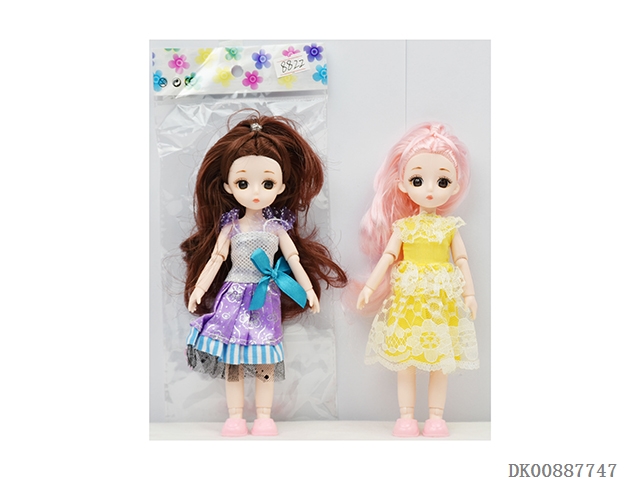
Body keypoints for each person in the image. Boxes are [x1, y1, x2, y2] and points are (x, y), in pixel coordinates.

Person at [181, 112, 347, 436]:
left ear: (281, 186)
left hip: (265, 297)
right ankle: (235, 417)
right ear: (228, 186)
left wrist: (308, 290)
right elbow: (216, 258)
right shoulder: (231, 226)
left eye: (267, 183)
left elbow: (293, 258)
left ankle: (264, 416)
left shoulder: (276, 228)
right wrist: (199, 288)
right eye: (243, 183)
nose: (255, 191)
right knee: (232, 359)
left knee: (264, 358)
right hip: (233, 296)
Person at [355, 123, 479, 437]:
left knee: (440, 361)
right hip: (409, 302)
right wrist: (370, 286)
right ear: (402, 183)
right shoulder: (404, 227)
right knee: (406, 361)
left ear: (455, 186)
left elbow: (461, 260)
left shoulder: (449, 227)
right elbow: (388, 257)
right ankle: (406, 417)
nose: (429, 189)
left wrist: (470, 294)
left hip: (440, 303)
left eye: (442, 181)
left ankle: (436, 417)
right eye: (417, 180)